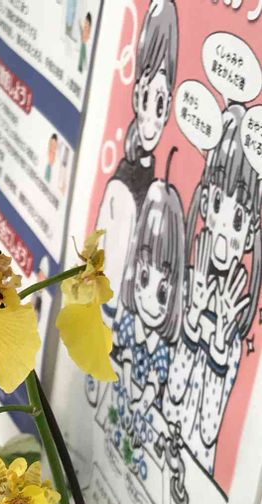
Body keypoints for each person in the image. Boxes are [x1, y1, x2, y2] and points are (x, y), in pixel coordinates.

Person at [164, 105, 262, 477]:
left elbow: (208, 431)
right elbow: (172, 394)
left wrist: (220, 345)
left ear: (250, 231)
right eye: (218, 204)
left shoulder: (233, 331)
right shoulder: (189, 286)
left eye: (238, 218)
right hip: (162, 445)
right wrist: (192, 320)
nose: (222, 229)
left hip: (196, 469)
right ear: (205, 202)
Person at [96, 0, 179, 303]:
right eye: (148, 98)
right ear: (136, 94)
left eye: (162, 103)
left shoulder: (158, 187)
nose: (153, 119)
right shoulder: (120, 188)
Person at [116, 149, 185, 439]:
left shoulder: (162, 348)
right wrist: (128, 389)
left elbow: (156, 380)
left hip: (145, 418)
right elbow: (126, 357)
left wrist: (141, 405)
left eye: (163, 291)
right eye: (144, 277)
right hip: (123, 400)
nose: (148, 300)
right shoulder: (130, 324)